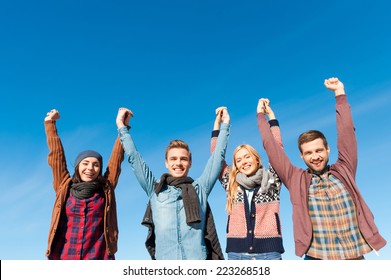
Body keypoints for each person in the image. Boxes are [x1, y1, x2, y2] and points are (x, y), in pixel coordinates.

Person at [257, 77, 387, 260]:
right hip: (317, 257)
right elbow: (271, 147)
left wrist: (339, 94)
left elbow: (347, 132)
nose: (315, 156)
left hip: (353, 255)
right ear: (301, 156)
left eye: (319, 150)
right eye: (309, 152)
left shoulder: (344, 170)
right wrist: (262, 117)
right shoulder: (296, 178)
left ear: (328, 149)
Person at [116, 106, 230, 260]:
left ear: (190, 163)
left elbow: (218, 156)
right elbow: (134, 158)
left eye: (183, 159)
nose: (178, 163)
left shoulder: (200, 188)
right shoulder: (155, 189)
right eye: (173, 159)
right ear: (166, 163)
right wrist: (122, 128)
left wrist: (225, 125)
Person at [44, 108, 130, 259]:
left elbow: (116, 160)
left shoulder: (106, 188)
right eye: (85, 163)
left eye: (96, 165)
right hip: (63, 256)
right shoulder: (64, 186)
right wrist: (50, 124)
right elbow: (56, 157)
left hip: (98, 257)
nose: (90, 168)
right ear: (78, 167)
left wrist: (122, 126)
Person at [210, 103, 284, 260]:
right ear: (235, 166)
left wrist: (270, 117)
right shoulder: (232, 183)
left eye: (247, 156)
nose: (243, 162)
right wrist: (221, 125)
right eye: (238, 160)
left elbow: (277, 149)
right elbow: (216, 157)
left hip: (270, 253)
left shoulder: (272, 179)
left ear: (256, 159)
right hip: (237, 254)